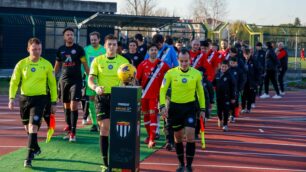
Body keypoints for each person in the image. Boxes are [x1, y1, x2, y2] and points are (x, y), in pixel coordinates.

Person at [8, 38, 57, 168]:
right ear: (28, 49)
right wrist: (11, 98)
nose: (37, 52)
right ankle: (35, 147)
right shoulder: (21, 64)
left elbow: (52, 84)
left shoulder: (47, 64)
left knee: (33, 127)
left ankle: (28, 158)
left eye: (39, 49)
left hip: (40, 99)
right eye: (34, 49)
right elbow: (14, 82)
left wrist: (53, 102)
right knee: (27, 128)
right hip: (24, 99)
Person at [88, 34, 129, 171]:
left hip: (118, 97)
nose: (112, 47)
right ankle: (106, 164)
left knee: (117, 130)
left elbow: (131, 79)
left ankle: (117, 161)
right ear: (104, 46)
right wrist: (95, 88)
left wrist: (126, 84)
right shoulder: (97, 61)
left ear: (117, 46)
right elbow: (90, 80)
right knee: (105, 127)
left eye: (114, 44)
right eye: (109, 44)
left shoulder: (123, 62)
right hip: (102, 97)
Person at [160, 48, 205, 172]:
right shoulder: (170, 73)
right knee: (178, 138)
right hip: (175, 108)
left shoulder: (196, 73)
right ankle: (181, 164)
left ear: (190, 60)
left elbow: (200, 92)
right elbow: (162, 90)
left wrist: (202, 108)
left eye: (186, 61)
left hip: (190, 108)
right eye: (181, 61)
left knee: (190, 136)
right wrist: (162, 106)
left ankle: (189, 165)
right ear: (178, 60)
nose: (184, 64)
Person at [54, 27, 90, 142]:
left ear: (73, 36)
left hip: (76, 81)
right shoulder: (60, 50)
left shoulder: (79, 49)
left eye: (71, 34)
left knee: (74, 105)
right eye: (68, 34)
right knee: (66, 106)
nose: (70, 36)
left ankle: (73, 133)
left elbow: (85, 64)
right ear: (64, 37)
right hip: (64, 81)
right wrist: (52, 78)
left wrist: (90, 77)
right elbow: (57, 66)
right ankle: (69, 128)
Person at [136, 43, 169, 148]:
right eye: (151, 50)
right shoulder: (142, 64)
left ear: (157, 51)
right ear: (148, 52)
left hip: (155, 96)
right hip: (143, 95)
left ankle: (151, 139)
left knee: (153, 116)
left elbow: (170, 75)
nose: (154, 51)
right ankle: (149, 136)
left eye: (155, 50)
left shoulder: (162, 64)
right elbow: (137, 79)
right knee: (146, 117)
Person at [83, 31, 106, 132]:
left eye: (95, 39)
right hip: (90, 79)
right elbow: (83, 64)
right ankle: (94, 123)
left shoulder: (104, 50)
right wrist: (83, 76)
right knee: (91, 100)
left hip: (102, 79)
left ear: (99, 39)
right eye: (91, 40)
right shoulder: (86, 50)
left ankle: (103, 122)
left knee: (103, 101)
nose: (93, 41)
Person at [213, 60, 236, 131]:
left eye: (225, 67)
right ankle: (220, 119)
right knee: (219, 111)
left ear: (228, 67)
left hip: (227, 97)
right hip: (218, 96)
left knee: (226, 111)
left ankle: (225, 125)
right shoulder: (217, 74)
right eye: (222, 66)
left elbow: (233, 87)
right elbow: (213, 83)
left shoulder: (230, 76)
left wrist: (233, 97)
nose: (223, 68)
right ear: (220, 66)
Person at [241, 48, 260, 113]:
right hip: (243, 81)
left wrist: (257, 81)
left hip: (251, 81)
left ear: (250, 54)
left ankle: (248, 108)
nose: (246, 55)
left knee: (250, 95)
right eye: (245, 54)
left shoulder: (254, 61)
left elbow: (258, 71)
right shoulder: (242, 61)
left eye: (247, 54)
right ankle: (243, 108)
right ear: (243, 54)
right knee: (243, 95)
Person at [228, 57, 245, 122]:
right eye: (231, 62)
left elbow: (242, 80)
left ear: (236, 63)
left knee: (234, 102)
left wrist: (240, 88)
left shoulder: (239, 71)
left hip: (235, 89)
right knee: (227, 102)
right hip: (228, 90)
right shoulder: (228, 70)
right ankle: (229, 114)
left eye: (233, 63)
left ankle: (233, 115)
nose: (232, 64)